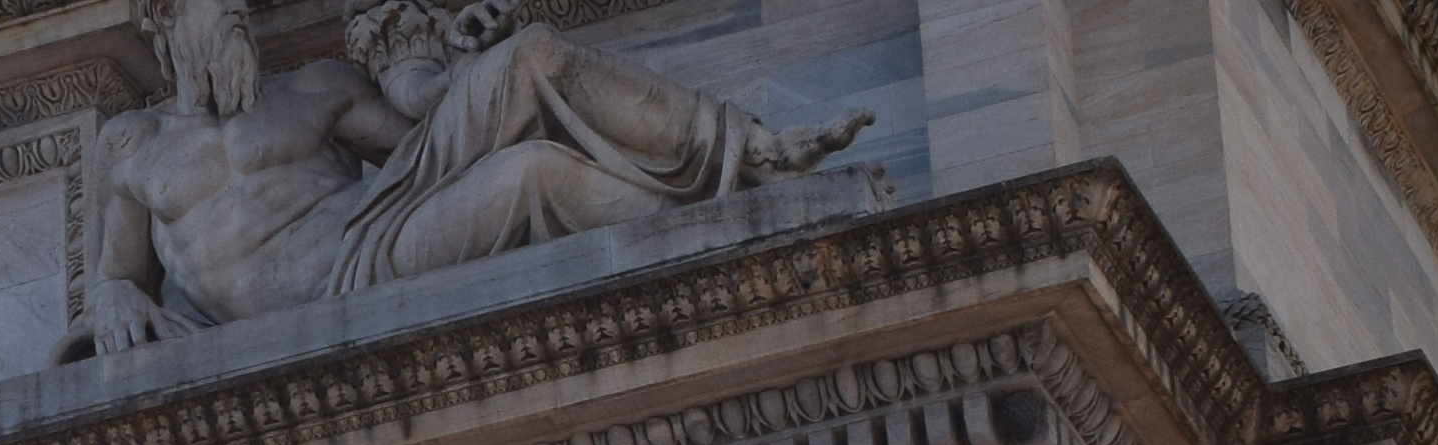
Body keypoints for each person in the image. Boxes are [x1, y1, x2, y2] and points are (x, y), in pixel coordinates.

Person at [81, 0, 863, 350]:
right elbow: (116, 275)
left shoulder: (312, 88)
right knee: (533, 173)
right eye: (221, 9)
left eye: (244, 10)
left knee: (532, 55)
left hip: (376, 236)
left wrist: (462, 59)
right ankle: (715, 219)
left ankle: (748, 156)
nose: (239, 19)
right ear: (163, 17)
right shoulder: (132, 146)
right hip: (329, 297)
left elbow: (429, 140)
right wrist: (115, 296)